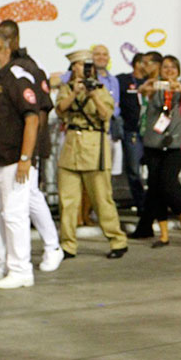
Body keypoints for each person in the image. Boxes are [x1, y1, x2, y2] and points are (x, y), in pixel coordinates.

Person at [0, 20, 64, 272]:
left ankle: (52, 246)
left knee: (32, 196)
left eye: (4, 39)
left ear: (13, 40)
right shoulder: (3, 69)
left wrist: (31, 150)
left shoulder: (28, 67)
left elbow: (41, 110)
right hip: (9, 148)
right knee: (25, 198)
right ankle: (38, 248)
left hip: (28, 147)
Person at [0, 34, 39, 288]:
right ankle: (2, 263)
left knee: (14, 216)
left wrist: (25, 158)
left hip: (14, 159)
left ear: (9, 49)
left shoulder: (17, 77)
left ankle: (21, 270)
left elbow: (32, 119)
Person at [55, 50, 128, 259]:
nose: (81, 70)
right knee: (67, 201)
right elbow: (60, 109)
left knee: (102, 198)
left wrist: (93, 94)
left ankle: (117, 240)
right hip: (71, 146)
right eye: (78, 65)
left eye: (85, 66)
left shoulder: (101, 88)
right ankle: (68, 245)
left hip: (94, 146)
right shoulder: (66, 88)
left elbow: (107, 114)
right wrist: (74, 92)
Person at [133, 55, 181, 247]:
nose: (169, 70)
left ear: (179, 70)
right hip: (154, 144)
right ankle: (164, 235)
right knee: (155, 188)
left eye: (173, 67)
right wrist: (145, 88)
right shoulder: (154, 88)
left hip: (177, 145)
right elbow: (142, 92)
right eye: (165, 67)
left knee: (168, 183)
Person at [116, 52, 147, 211]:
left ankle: (154, 207)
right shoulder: (123, 80)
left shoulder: (152, 82)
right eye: (144, 63)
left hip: (151, 133)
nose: (147, 67)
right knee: (134, 171)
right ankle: (141, 206)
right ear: (136, 64)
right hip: (132, 132)